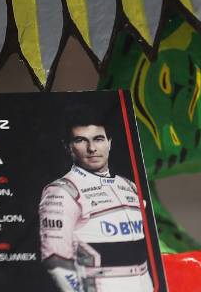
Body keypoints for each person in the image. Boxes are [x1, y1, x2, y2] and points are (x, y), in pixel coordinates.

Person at [39, 116, 153, 292]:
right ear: (68, 146)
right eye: (80, 140)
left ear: (109, 143)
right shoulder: (62, 191)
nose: (92, 148)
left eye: (98, 139)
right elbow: (56, 259)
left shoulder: (129, 185)